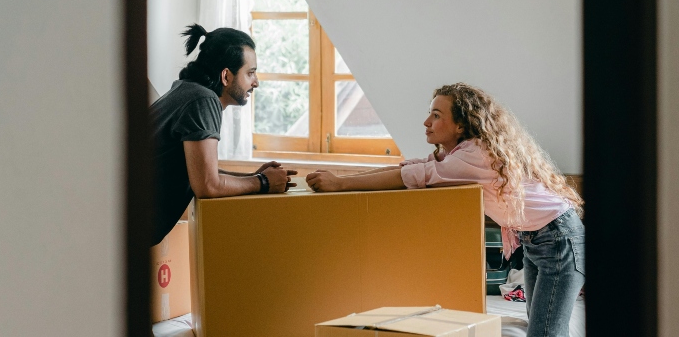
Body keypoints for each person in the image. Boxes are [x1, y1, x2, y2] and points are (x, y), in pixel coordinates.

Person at [306, 82, 584, 337]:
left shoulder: (473, 155)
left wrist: (340, 185)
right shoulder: (456, 154)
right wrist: (341, 181)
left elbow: (413, 177)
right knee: (547, 329)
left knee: (546, 332)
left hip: (558, 240)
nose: (426, 122)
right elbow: (408, 169)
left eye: (437, 115)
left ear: (461, 125)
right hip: (541, 238)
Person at [150, 23, 296, 246]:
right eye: (250, 73)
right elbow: (207, 185)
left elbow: (200, 172)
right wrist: (263, 182)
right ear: (226, 76)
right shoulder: (202, 100)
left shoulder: (186, 91)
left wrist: (250, 177)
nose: (256, 82)